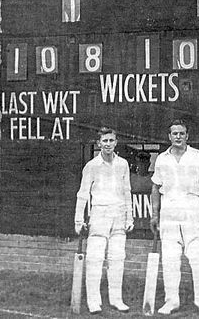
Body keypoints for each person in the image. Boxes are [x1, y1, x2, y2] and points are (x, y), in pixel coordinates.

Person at [150, 119, 199, 319]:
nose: (178, 136)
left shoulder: (197, 156)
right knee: (170, 259)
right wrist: (154, 214)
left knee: (198, 258)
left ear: (187, 136)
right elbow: (155, 188)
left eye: (182, 133)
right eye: (174, 133)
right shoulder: (161, 159)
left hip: (191, 209)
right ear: (169, 136)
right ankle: (171, 301)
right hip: (168, 211)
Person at [74, 127, 134, 314]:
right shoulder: (91, 166)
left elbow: (127, 191)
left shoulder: (123, 164)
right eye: (104, 141)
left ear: (116, 142)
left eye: (111, 140)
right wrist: (78, 220)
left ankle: (116, 299)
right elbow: (83, 194)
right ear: (99, 143)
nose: (108, 144)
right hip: (99, 214)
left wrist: (129, 216)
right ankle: (94, 301)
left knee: (117, 258)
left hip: (118, 214)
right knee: (95, 258)